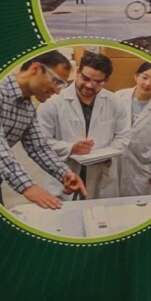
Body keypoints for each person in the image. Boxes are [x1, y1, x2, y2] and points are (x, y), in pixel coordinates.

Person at [0, 50, 85, 210]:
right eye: (56, 81)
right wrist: (27, 186)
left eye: (62, 85)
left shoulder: (28, 108)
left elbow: (38, 147)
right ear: (35, 69)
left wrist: (64, 173)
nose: (57, 90)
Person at [40, 49, 133, 199]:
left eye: (98, 82)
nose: (90, 85)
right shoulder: (54, 102)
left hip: (101, 174)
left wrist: (105, 153)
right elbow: (41, 143)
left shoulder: (116, 103)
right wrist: (70, 148)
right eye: (86, 78)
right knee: (64, 219)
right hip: (64, 174)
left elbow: (123, 137)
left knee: (99, 218)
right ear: (77, 72)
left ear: (106, 81)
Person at [114, 61, 151, 198]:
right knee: (111, 202)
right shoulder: (118, 97)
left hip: (141, 167)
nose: (147, 83)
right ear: (136, 77)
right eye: (144, 77)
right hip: (115, 161)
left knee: (136, 206)